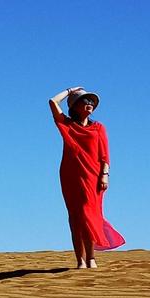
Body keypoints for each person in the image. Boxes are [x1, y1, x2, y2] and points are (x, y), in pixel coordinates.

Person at [49, 86, 125, 269]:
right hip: (71, 175)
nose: (90, 104)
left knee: (89, 214)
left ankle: (91, 258)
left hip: (94, 176)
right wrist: (69, 91)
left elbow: (105, 155)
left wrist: (105, 174)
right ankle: (80, 260)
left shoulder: (99, 128)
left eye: (92, 101)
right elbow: (52, 102)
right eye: (85, 100)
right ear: (74, 106)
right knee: (75, 217)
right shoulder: (67, 125)